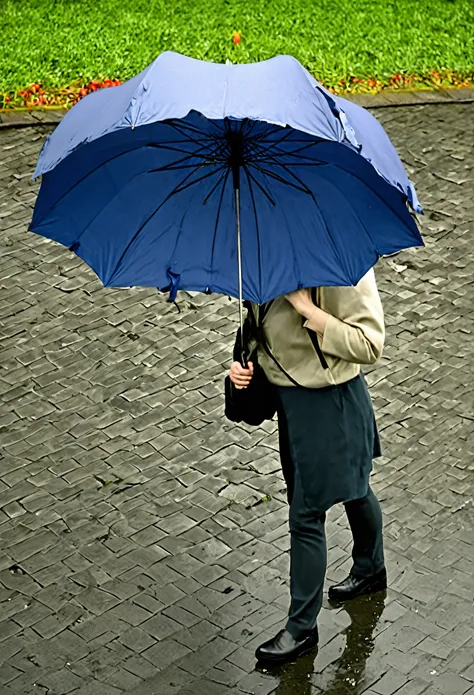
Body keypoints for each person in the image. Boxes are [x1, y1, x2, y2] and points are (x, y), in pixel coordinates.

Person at [229, 268, 387, 664]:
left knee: (308, 513)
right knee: (354, 489)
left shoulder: (338, 265)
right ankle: (371, 570)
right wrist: (241, 367)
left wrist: (309, 311)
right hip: (292, 407)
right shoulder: (259, 256)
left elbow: (370, 343)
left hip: (331, 403)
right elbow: (261, 331)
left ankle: (301, 629)